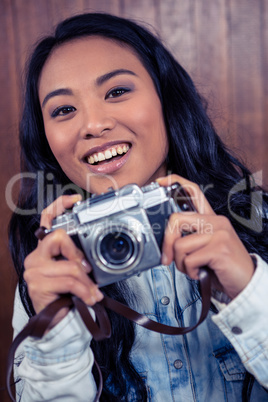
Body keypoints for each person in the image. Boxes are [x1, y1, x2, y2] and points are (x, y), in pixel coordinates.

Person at [9, 12, 268, 402]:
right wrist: (56, 333)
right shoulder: (50, 269)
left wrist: (248, 287)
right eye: (63, 110)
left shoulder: (257, 220)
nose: (93, 125)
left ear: (166, 99)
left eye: (116, 92)